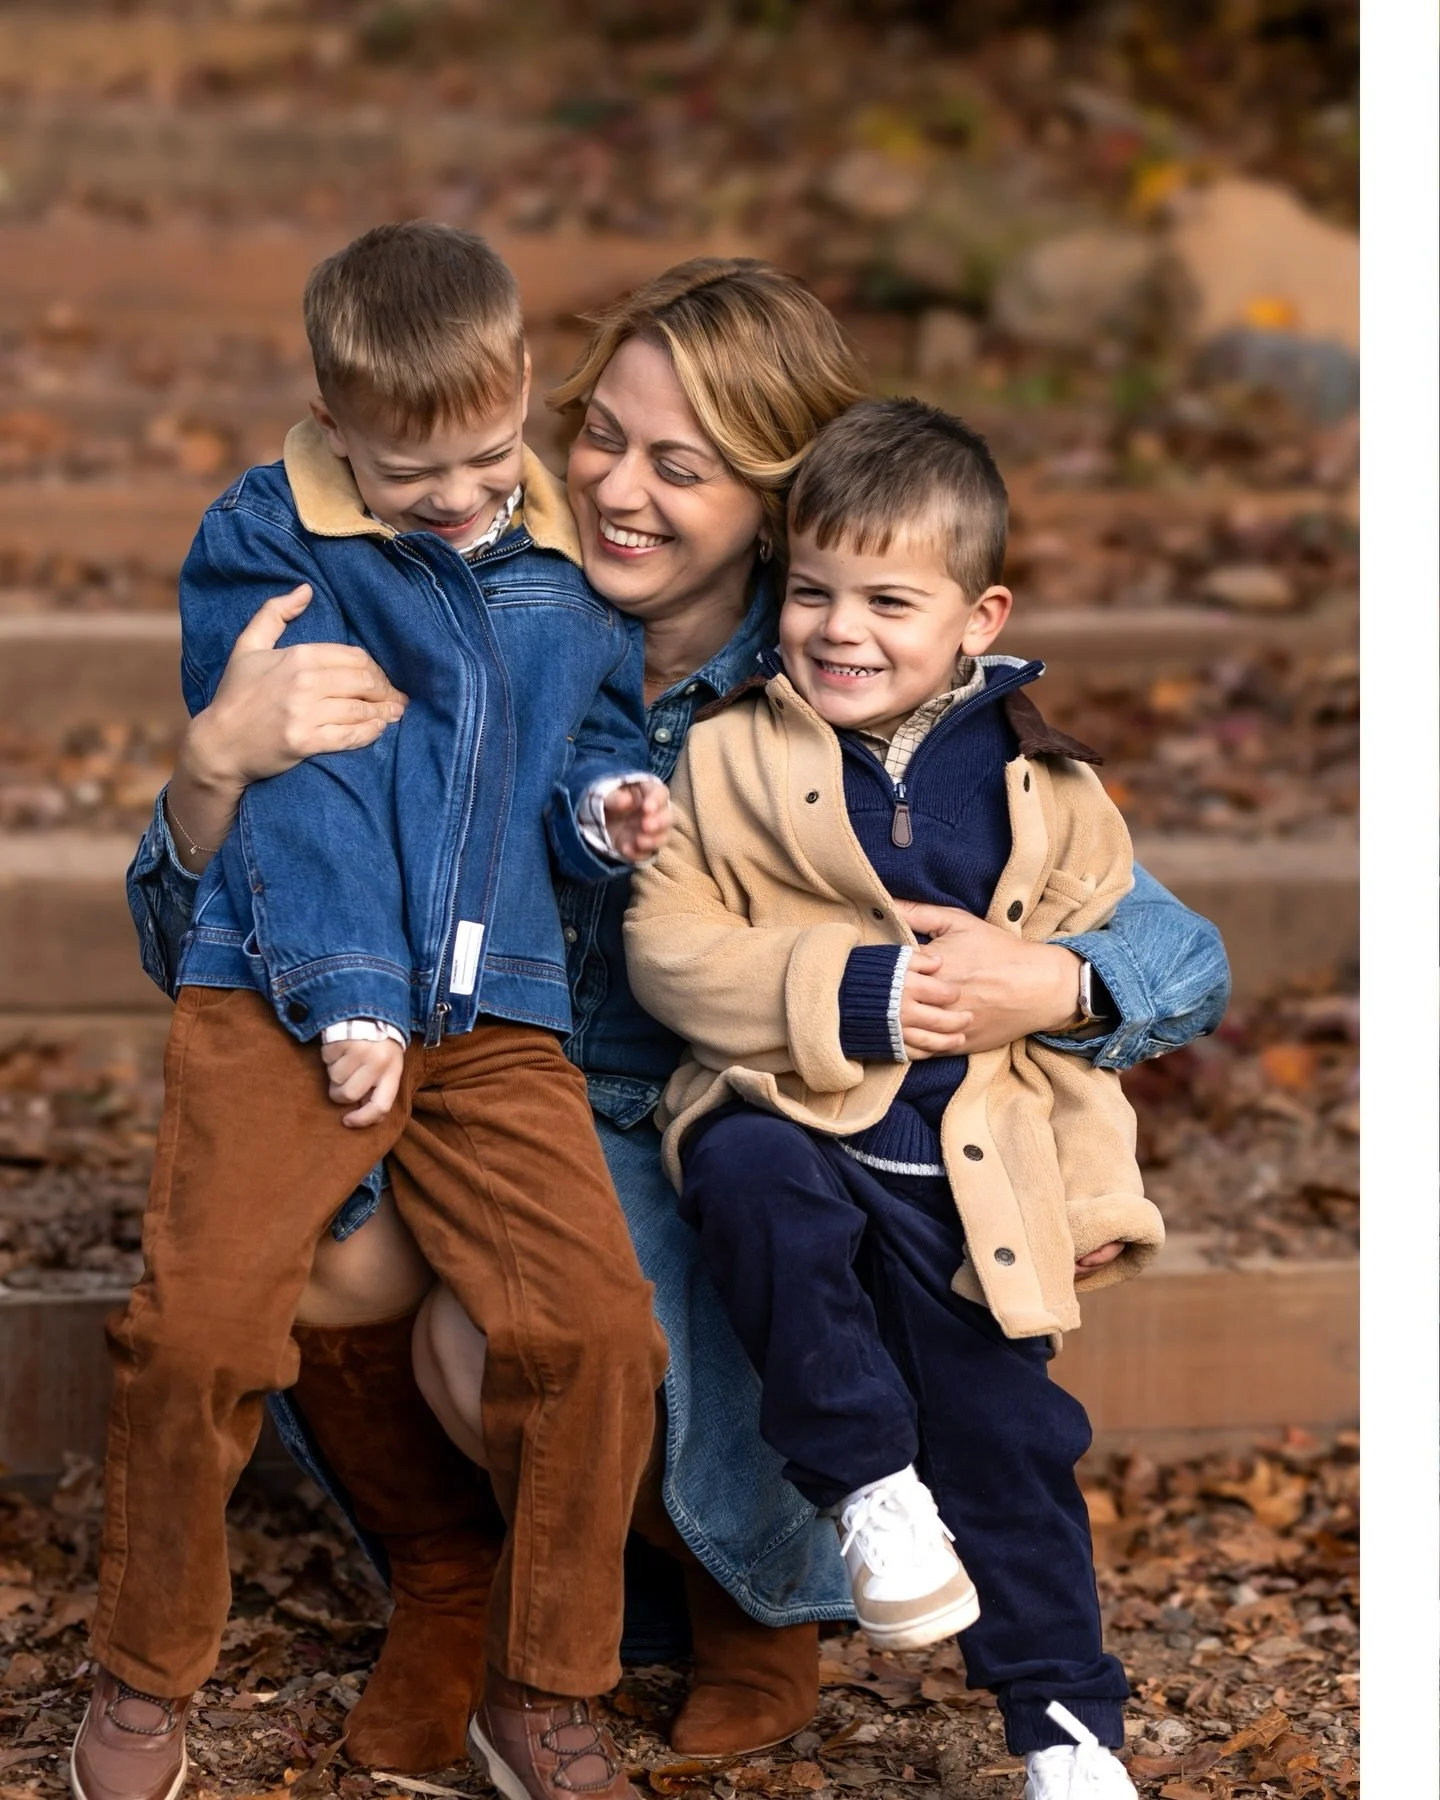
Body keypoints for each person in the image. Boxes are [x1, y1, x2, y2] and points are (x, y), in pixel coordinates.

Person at [126, 258, 1232, 1771]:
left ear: (777, 496)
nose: (617, 486)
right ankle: (451, 1578)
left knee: (537, 1316)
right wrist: (211, 769)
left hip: (713, 1129)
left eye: (682, 465)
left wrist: (1057, 984)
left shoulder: (835, 663)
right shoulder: (473, 587)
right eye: (603, 438)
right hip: (470, 1076)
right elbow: (193, 929)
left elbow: (1154, 934)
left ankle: (740, 1599)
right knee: (333, 1228)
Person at [76, 222, 672, 1800]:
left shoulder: (556, 565)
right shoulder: (266, 538)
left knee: (598, 1327)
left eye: (489, 454)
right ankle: (142, 1677)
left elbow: (587, 740)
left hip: (497, 1006)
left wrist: (611, 805)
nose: (464, 498)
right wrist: (347, 997)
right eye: (416, 474)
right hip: (283, 985)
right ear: (335, 425)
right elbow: (302, 782)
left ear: (527, 388)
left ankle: (540, 1688)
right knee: (198, 1329)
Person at [626, 397, 1171, 1800]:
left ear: (978, 615)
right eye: (811, 592)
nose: (840, 630)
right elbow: (671, 948)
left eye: (888, 600)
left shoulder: (1052, 792)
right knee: (744, 1175)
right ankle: (869, 1487)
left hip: (971, 1175)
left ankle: (1067, 1734)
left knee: (1014, 1446)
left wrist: (1098, 1195)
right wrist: (854, 991)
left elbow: (1080, 1019)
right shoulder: (729, 755)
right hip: (798, 1117)